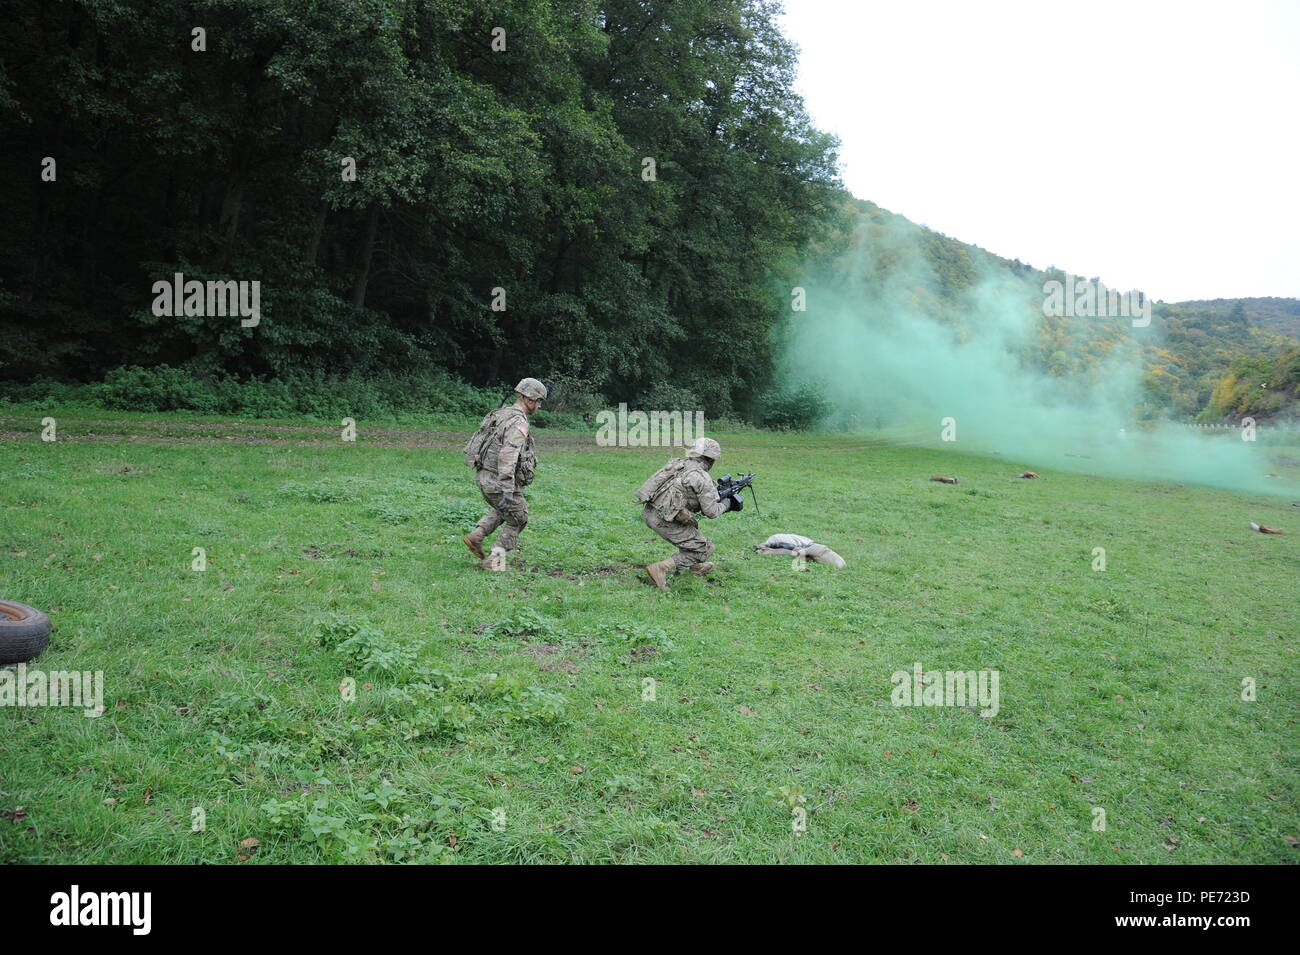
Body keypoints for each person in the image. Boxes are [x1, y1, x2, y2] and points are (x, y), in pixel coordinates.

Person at [462, 378, 546, 570]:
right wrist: (507, 489)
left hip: (484, 477)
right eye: (538, 401)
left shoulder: (501, 414)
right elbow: (508, 456)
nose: (539, 406)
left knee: (504, 510)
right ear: (528, 399)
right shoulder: (519, 423)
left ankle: (476, 536)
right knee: (519, 518)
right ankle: (494, 561)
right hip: (498, 481)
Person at [636, 436, 738, 590]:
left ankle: (695, 567)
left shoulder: (678, 464)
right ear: (711, 459)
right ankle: (661, 568)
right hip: (665, 521)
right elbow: (711, 512)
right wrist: (727, 504)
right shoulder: (702, 478)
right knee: (705, 549)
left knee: (692, 534)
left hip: (650, 512)